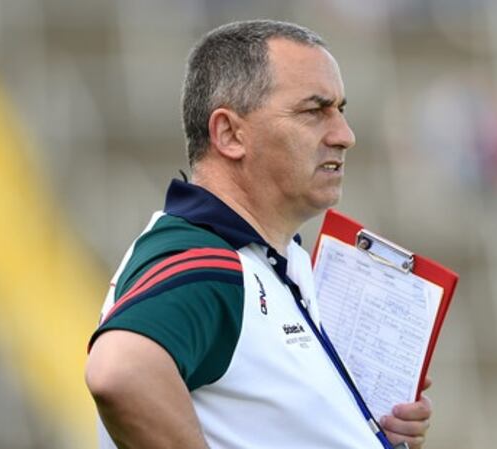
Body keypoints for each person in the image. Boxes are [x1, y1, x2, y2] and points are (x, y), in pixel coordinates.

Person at [84, 19, 433, 449]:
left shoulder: (270, 261)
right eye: (313, 111)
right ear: (229, 134)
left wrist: (363, 427)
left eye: (340, 110)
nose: (345, 136)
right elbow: (120, 372)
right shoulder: (209, 259)